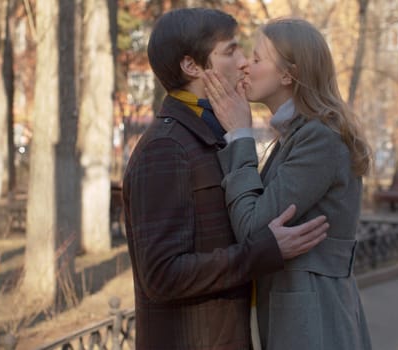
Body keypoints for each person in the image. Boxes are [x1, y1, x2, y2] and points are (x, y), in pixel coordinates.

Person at [122, 9, 329, 350]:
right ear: (192, 66)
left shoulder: (211, 133)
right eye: (230, 51)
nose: (244, 61)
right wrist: (263, 251)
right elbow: (160, 275)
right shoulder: (166, 147)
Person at [203, 18, 373, 350]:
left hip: (315, 320)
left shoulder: (318, 138)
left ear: (286, 74)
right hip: (301, 312)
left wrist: (239, 134)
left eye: (256, 59)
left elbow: (254, 228)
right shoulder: (298, 134)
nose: (245, 67)